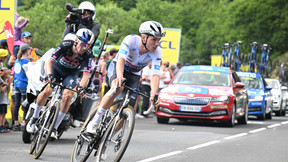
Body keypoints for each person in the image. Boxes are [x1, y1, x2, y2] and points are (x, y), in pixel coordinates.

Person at [86, 21, 165, 134]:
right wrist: (119, 77)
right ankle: (94, 122)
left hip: (134, 75)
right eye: (154, 40)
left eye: (159, 40)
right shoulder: (131, 40)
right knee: (117, 88)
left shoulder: (157, 52)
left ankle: (108, 136)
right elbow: (121, 60)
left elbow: (155, 75)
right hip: (118, 67)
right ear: (143, 37)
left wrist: (154, 94)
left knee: (130, 110)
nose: (157, 43)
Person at [26, 29, 95, 139]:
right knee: (47, 91)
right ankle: (34, 119)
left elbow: (86, 74)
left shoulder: (87, 54)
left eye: (87, 45)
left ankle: (54, 127)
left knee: (68, 96)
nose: (84, 48)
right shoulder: (66, 45)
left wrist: (81, 87)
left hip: (71, 74)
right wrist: (49, 75)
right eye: (82, 44)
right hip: (56, 70)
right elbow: (50, 61)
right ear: (76, 40)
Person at [13, 43, 32, 131]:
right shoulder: (27, 62)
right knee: (26, 104)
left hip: (16, 83)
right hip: (24, 84)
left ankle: (16, 123)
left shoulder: (17, 60)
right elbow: (29, 74)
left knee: (17, 103)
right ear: (27, 50)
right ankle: (24, 122)